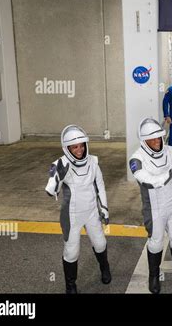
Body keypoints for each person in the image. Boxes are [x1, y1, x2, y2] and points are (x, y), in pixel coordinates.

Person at [129, 118, 172, 294]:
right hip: (154, 208)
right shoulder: (136, 159)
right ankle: (153, 276)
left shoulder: (170, 150)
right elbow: (151, 182)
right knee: (156, 243)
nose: (158, 141)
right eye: (153, 139)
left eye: (159, 137)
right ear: (144, 140)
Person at [45, 125, 111, 294]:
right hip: (71, 215)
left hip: (91, 212)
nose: (80, 149)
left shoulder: (93, 161)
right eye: (75, 146)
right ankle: (70, 285)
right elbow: (51, 190)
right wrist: (58, 176)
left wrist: (104, 208)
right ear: (67, 148)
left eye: (82, 145)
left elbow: (100, 187)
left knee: (100, 243)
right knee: (71, 252)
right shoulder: (59, 163)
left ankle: (105, 268)